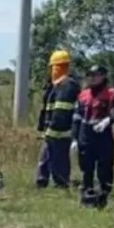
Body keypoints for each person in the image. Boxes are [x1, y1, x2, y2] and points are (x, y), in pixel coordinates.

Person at [73, 64, 114, 208]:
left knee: (104, 167)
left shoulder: (111, 94)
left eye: (96, 75)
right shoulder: (83, 94)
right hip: (85, 133)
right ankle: (87, 196)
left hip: (102, 134)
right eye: (90, 75)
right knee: (86, 167)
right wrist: (74, 138)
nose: (92, 78)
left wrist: (108, 120)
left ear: (103, 76)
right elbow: (76, 117)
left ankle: (102, 197)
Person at [35, 50, 80, 189]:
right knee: (45, 157)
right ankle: (42, 182)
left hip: (60, 131)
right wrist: (43, 126)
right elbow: (48, 108)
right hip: (51, 130)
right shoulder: (54, 85)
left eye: (54, 67)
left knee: (59, 158)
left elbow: (62, 110)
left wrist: (52, 127)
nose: (52, 70)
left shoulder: (67, 85)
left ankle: (61, 183)